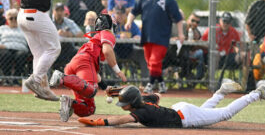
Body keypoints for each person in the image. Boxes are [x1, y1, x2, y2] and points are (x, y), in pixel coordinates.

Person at [17, 0, 81, 101]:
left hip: (26, 16)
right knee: (54, 48)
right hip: (35, 15)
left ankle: (41, 87)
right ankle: (35, 80)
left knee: (40, 53)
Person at [78, 82, 265, 128]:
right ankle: (221, 92)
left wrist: (99, 122)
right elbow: (156, 95)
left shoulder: (142, 112)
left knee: (225, 114)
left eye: (125, 102)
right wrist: (120, 91)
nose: (123, 105)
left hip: (185, 115)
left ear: (132, 103)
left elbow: (121, 119)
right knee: (205, 112)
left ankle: (256, 94)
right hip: (182, 110)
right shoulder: (145, 101)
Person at [49, 14, 127, 122]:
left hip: (75, 64)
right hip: (85, 62)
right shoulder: (107, 33)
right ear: (110, 26)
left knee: (89, 108)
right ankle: (62, 78)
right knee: (91, 90)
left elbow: (94, 73)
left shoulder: (96, 38)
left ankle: (69, 102)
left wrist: (105, 88)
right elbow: (107, 51)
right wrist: (118, 72)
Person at [125, 0, 185, 94]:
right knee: (150, 63)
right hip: (147, 36)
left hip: (161, 38)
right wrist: (128, 22)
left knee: (154, 61)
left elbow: (178, 18)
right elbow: (134, 11)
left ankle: (150, 84)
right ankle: (161, 83)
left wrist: (181, 33)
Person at [113, 5, 149, 80]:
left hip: (130, 50)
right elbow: (107, 34)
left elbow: (139, 34)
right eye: (118, 13)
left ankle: (145, 81)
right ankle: (112, 82)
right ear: (114, 14)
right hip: (115, 50)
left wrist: (137, 36)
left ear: (125, 14)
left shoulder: (130, 23)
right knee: (107, 54)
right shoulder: (111, 23)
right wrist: (120, 37)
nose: (120, 16)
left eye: (122, 13)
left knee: (143, 53)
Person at [0, 9, 28, 85]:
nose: (14, 20)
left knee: (21, 55)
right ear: (7, 19)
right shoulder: (2, 28)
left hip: (20, 49)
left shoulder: (23, 29)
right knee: (5, 55)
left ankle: (16, 78)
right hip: (5, 48)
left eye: (16, 18)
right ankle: (7, 78)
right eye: (11, 18)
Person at [52, 2, 84, 68]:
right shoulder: (49, 22)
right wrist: (56, 33)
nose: (59, 13)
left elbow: (81, 34)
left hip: (68, 49)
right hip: (53, 48)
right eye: (57, 10)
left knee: (80, 52)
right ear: (53, 11)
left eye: (61, 10)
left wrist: (69, 34)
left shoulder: (69, 22)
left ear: (64, 12)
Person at [185, 12, 205, 80]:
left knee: (201, 52)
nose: (194, 23)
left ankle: (198, 78)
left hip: (192, 53)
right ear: (188, 20)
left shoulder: (197, 32)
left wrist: (197, 42)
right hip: (181, 53)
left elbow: (196, 46)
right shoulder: (182, 28)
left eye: (197, 22)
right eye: (192, 20)